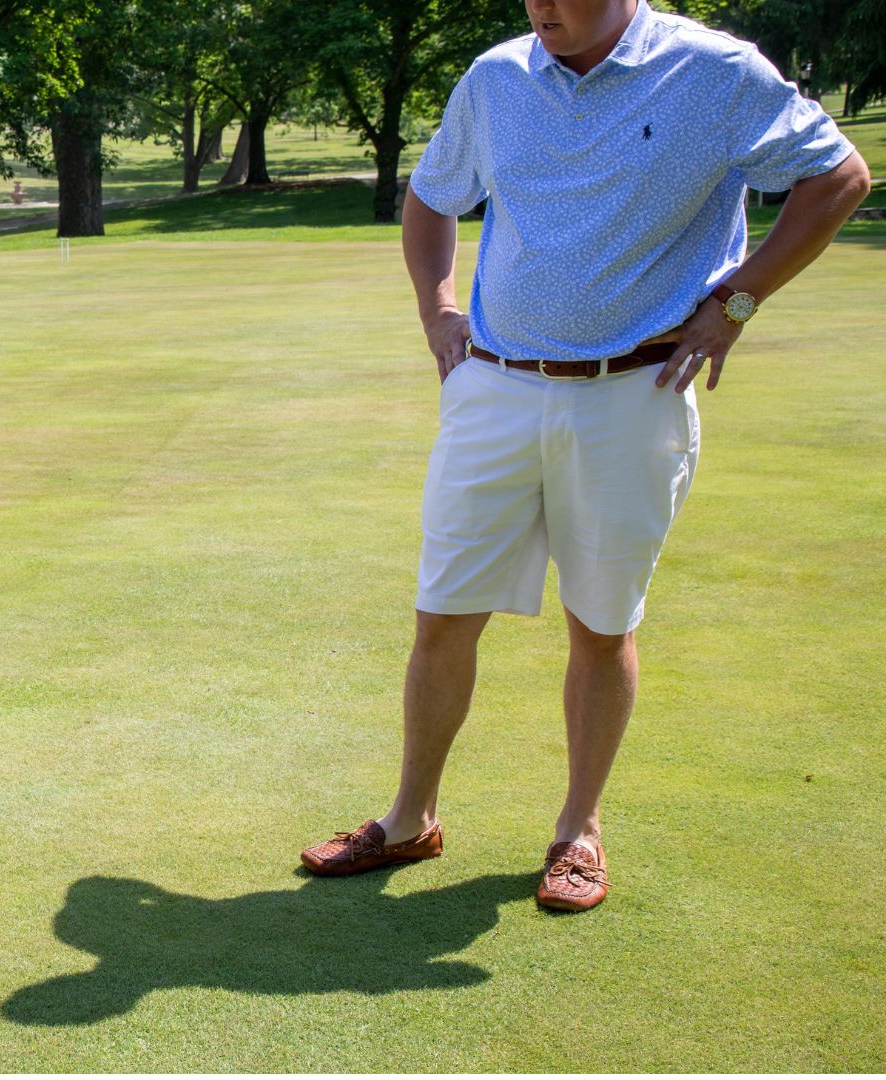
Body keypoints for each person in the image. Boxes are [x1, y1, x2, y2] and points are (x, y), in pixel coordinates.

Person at [299, 0, 870, 911]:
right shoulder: (496, 77)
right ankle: (410, 820)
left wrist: (736, 304)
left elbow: (838, 175)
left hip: (633, 393)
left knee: (602, 626)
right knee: (443, 612)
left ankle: (579, 831)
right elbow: (432, 195)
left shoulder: (715, 72)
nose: (541, 6)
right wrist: (437, 311)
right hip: (495, 384)